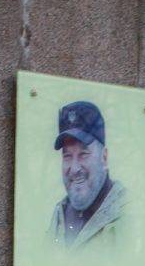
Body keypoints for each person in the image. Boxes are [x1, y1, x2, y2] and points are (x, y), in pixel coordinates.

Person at [47, 100, 126, 249]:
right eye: (67, 156)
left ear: (104, 158)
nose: (74, 168)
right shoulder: (59, 216)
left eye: (83, 154)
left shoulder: (128, 215)